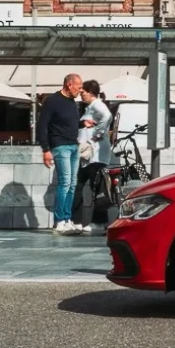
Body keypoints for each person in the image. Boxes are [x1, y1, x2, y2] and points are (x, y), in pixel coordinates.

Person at [35, 74, 85, 236]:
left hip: (73, 146)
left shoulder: (72, 103)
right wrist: (45, 149)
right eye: (78, 87)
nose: (80, 90)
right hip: (60, 146)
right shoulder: (52, 101)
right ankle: (59, 222)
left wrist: (83, 123)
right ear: (69, 85)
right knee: (64, 182)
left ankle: (67, 218)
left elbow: (69, 123)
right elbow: (42, 126)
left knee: (72, 184)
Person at [74, 79, 115, 235]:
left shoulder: (98, 106)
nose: (81, 94)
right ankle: (81, 221)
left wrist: (96, 135)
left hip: (95, 153)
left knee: (96, 187)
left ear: (90, 92)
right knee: (85, 185)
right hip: (89, 153)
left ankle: (99, 221)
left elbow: (106, 116)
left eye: (83, 92)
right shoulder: (90, 107)